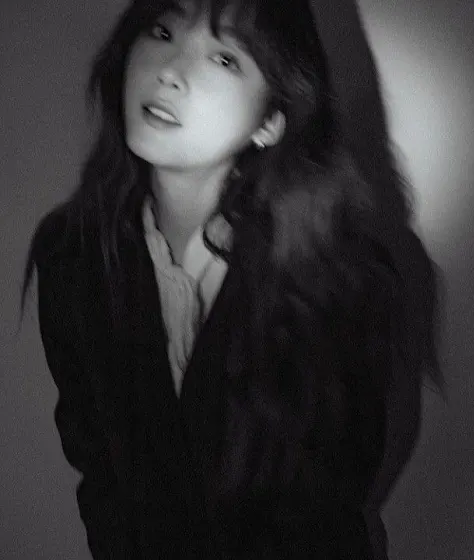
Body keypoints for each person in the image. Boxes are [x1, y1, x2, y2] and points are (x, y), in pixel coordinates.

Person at [19, 0, 445, 557]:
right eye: (162, 31)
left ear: (270, 122)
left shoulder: (340, 279)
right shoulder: (73, 258)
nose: (170, 71)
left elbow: (328, 504)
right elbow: (100, 475)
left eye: (224, 58)